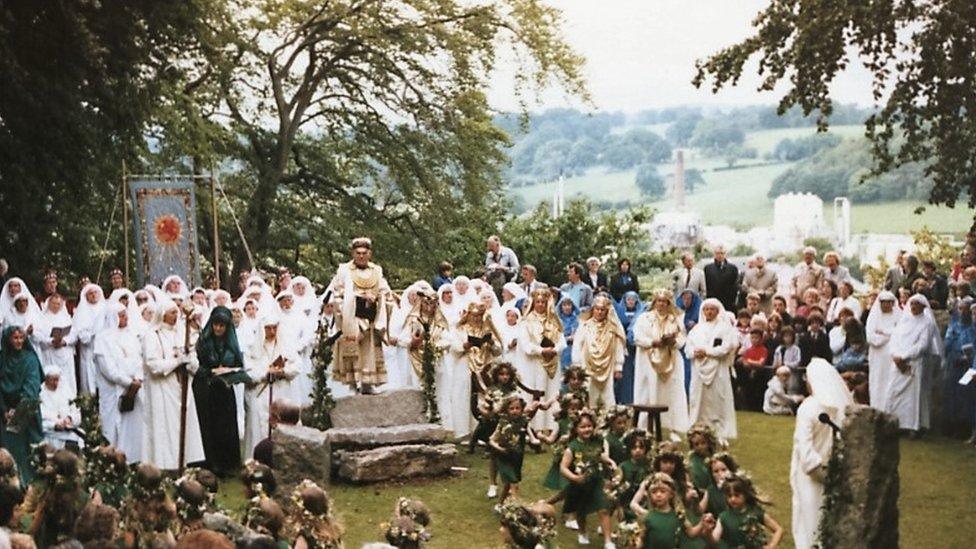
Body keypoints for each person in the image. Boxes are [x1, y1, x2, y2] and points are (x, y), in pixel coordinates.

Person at [790, 358, 853, 548]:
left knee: (809, 520)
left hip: (810, 473)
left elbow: (804, 444)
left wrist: (815, 468)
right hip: (834, 471)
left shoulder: (808, 407)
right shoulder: (841, 408)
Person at [143, 300, 206, 470]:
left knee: (183, 427)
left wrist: (189, 361)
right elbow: (153, 365)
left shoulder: (181, 333)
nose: (176, 315)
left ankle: (183, 462)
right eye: (172, 312)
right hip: (162, 388)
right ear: (162, 314)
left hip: (182, 387)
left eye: (176, 312)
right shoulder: (152, 335)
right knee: (165, 428)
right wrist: (177, 361)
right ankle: (164, 464)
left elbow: (194, 362)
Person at [328, 237, 392, 394]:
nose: (361, 256)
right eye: (358, 253)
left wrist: (377, 298)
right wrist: (357, 298)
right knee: (352, 349)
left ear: (369, 253)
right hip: (352, 317)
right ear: (353, 253)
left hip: (371, 317)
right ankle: (352, 383)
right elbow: (337, 293)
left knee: (370, 350)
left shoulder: (376, 271)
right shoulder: (344, 271)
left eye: (364, 253)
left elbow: (385, 291)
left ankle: (367, 383)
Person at [194, 305, 248, 476]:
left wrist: (229, 370)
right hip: (207, 391)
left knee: (226, 427)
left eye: (222, 326)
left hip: (224, 391)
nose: (218, 328)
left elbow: (239, 364)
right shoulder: (204, 341)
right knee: (209, 426)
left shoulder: (231, 342)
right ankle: (212, 462)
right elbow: (196, 366)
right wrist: (210, 371)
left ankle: (228, 464)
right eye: (216, 325)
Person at [631, 289, 690, 434]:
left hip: (671, 360)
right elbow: (637, 337)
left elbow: (683, 338)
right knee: (648, 391)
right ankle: (644, 427)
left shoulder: (675, 319)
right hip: (648, 360)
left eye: (664, 301)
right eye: (659, 301)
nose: (661, 304)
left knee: (672, 392)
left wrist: (673, 342)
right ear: (654, 302)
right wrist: (652, 342)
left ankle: (673, 427)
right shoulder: (645, 318)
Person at [886, 294, 943, 437]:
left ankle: (911, 426)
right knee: (893, 392)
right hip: (897, 362)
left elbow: (923, 345)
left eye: (917, 304)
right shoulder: (904, 320)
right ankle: (893, 423)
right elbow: (894, 339)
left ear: (923, 307)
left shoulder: (927, 323)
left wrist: (904, 357)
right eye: (912, 304)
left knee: (912, 397)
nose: (913, 307)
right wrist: (895, 355)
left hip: (914, 363)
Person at [93, 302, 144, 463]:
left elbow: (139, 359)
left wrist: (137, 379)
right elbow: (108, 369)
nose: (125, 318)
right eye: (121, 315)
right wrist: (128, 382)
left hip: (134, 387)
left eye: (125, 314)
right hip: (113, 389)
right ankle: (113, 460)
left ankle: (133, 458)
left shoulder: (131, 335)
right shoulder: (102, 339)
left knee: (133, 424)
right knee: (113, 425)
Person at [244, 314, 300, 456]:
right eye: (268, 328)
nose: (272, 332)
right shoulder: (253, 348)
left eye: (274, 328)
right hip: (261, 392)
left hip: (281, 391)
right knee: (260, 425)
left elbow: (297, 366)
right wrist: (265, 372)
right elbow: (249, 372)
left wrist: (283, 371)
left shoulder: (285, 345)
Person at [559, 410, 616, 547]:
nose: (587, 429)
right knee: (581, 510)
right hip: (580, 484)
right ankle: (582, 532)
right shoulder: (572, 447)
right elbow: (563, 467)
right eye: (583, 427)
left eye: (589, 426)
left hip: (597, 481)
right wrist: (574, 477)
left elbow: (599, 455)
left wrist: (609, 462)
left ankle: (608, 541)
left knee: (604, 508)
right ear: (576, 429)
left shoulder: (597, 441)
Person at [685, 298, 738, 442]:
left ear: (717, 311)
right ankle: (697, 429)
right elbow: (688, 347)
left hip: (718, 370)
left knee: (717, 400)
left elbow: (726, 348)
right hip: (698, 370)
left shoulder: (725, 328)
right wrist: (694, 353)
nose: (709, 312)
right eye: (706, 309)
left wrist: (707, 352)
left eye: (712, 309)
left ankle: (719, 431)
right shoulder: (696, 329)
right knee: (698, 399)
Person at [516, 289, 565, 431]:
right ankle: (534, 426)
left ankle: (551, 425)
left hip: (552, 362)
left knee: (551, 392)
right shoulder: (526, 322)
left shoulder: (554, 321)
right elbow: (525, 345)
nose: (540, 305)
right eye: (538, 302)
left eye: (543, 302)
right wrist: (541, 350)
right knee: (535, 392)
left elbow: (562, 340)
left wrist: (555, 349)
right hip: (534, 363)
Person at [450, 302, 501, 438]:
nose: (476, 319)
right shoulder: (461, 329)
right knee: (464, 398)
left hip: (484, 368)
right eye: (474, 316)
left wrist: (492, 344)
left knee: (484, 400)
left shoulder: (486, 329)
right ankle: (464, 432)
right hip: (465, 367)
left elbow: (498, 351)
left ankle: (483, 433)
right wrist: (464, 346)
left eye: (479, 316)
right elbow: (454, 348)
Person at [0, 326, 43, 484]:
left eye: (21, 338)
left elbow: (31, 386)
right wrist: (4, 410)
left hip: (26, 412)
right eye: (15, 338)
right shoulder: (2, 359)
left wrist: (18, 410)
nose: (18, 341)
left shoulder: (30, 359)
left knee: (30, 453)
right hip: (5, 414)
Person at [572, 295, 626, 408]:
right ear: (593, 309)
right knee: (588, 392)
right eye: (597, 309)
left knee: (608, 395)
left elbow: (619, 347)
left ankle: (608, 418)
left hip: (607, 365)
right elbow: (577, 345)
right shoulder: (585, 325)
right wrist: (576, 366)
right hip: (587, 365)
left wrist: (618, 367)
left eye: (602, 310)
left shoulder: (613, 327)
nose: (600, 312)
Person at [943, 298, 975, 437]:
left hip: (970, 365)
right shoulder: (954, 326)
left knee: (967, 394)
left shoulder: (973, 328)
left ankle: (967, 426)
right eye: (960, 309)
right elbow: (947, 344)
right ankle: (953, 425)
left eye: (965, 309)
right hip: (954, 364)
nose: (963, 312)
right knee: (952, 392)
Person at [33, 294, 77, 397]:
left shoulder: (67, 318)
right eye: (53, 303)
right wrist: (50, 341)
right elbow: (38, 335)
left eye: (58, 304)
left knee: (68, 381)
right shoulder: (42, 319)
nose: (56, 306)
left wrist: (65, 341)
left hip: (65, 354)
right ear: (48, 303)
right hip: (50, 353)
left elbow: (74, 334)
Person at [73, 283, 107, 395]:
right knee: (89, 379)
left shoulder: (105, 308)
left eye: (95, 292)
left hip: (104, 349)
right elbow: (80, 333)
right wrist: (93, 333)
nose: (93, 295)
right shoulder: (81, 311)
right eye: (90, 293)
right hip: (88, 351)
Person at [39, 365, 82, 449]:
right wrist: (54, 425)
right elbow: (39, 420)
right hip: (51, 435)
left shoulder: (65, 390)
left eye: (57, 380)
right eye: (52, 380)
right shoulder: (41, 394)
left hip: (69, 434)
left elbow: (76, 411)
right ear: (46, 380)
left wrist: (70, 418)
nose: (56, 383)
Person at [614, 291, 645, 405]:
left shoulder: (641, 313)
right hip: (622, 347)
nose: (631, 302)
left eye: (633, 299)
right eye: (628, 299)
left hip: (635, 348)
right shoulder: (619, 312)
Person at [703, 246, 738, 313]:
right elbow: (706, 285)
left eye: (722, 253)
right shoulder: (708, 268)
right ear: (714, 254)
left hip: (728, 303)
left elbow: (735, 286)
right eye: (717, 253)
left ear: (725, 254)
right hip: (713, 302)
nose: (720, 255)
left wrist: (732, 299)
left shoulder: (732, 268)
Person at [557, 295, 581, 371]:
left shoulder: (577, 320)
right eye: (564, 305)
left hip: (575, 348)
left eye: (569, 305)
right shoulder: (557, 320)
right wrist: (566, 338)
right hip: (562, 350)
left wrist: (576, 337)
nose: (567, 307)